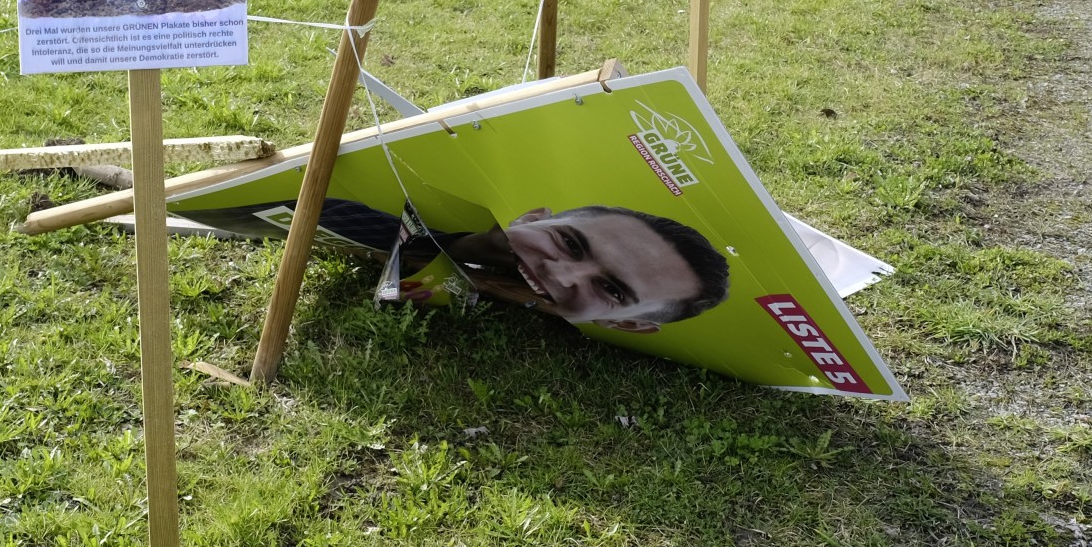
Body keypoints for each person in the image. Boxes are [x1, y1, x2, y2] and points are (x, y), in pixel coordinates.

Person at [186, 196, 731, 334]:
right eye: (569, 243)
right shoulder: (352, 213)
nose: (560, 274)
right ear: (531, 215)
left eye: (613, 290)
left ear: (628, 324)